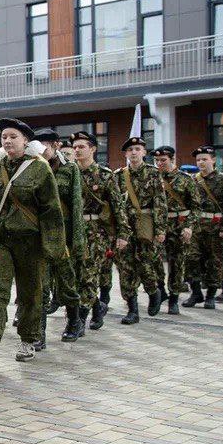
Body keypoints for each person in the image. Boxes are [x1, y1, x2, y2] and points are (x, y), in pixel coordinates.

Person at [0, 119, 65, 363]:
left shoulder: (40, 168)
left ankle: (28, 338)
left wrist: (53, 247)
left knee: (30, 292)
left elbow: (51, 210)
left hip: (30, 242)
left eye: (13, 136)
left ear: (25, 140)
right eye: (4, 137)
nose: (8, 141)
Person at [70, 131, 130, 330]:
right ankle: (97, 308)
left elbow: (118, 207)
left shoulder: (105, 175)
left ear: (93, 149)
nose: (77, 150)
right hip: (73, 231)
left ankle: (79, 320)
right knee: (77, 276)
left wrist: (123, 234)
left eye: (82, 147)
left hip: (97, 232)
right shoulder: (69, 173)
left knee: (89, 274)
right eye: (75, 147)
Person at [35, 128, 85, 341]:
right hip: (39, 233)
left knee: (67, 282)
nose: (42, 149)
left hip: (63, 234)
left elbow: (76, 205)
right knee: (40, 285)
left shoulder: (70, 169)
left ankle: (74, 321)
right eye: (39, 144)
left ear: (56, 145)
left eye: (46, 144)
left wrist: (77, 240)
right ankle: (39, 333)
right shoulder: (32, 167)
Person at [113, 137, 166, 325]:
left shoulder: (153, 173)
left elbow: (160, 203)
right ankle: (132, 309)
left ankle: (153, 291)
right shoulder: (119, 175)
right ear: (126, 154)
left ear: (144, 152)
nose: (134, 152)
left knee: (146, 264)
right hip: (126, 225)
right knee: (125, 267)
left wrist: (160, 229)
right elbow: (115, 204)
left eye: (137, 149)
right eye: (130, 150)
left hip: (146, 224)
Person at [183, 146, 223, 309]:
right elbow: (188, 204)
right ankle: (196, 292)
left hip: (215, 226)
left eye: (204, 159)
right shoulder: (193, 179)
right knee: (191, 258)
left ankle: (210, 295)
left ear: (213, 160)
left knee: (214, 261)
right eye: (198, 160)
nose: (201, 162)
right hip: (196, 226)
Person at [152, 146, 199, 314]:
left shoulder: (185, 179)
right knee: (153, 260)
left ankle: (173, 299)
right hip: (158, 225)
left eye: (163, 160)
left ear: (172, 159)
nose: (159, 163)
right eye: (157, 160)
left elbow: (195, 207)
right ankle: (160, 290)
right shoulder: (152, 178)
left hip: (179, 224)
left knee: (177, 263)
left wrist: (189, 226)